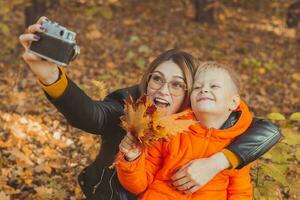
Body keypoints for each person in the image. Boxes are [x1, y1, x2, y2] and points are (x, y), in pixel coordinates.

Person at [19, 16, 281, 200]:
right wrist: (50, 75)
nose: (163, 90)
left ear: (191, 95)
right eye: (157, 78)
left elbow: (265, 130)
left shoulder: (202, 122)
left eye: (177, 85)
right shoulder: (131, 105)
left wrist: (217, 162)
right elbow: (90, 115)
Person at [116, 61, 255, 199]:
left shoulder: (237, 144)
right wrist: (132, 158)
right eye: (197, 87)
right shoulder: (169, 130)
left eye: (214, 86)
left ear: (234, 102)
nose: (204, 90)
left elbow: (240, 192)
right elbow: (138, 185)